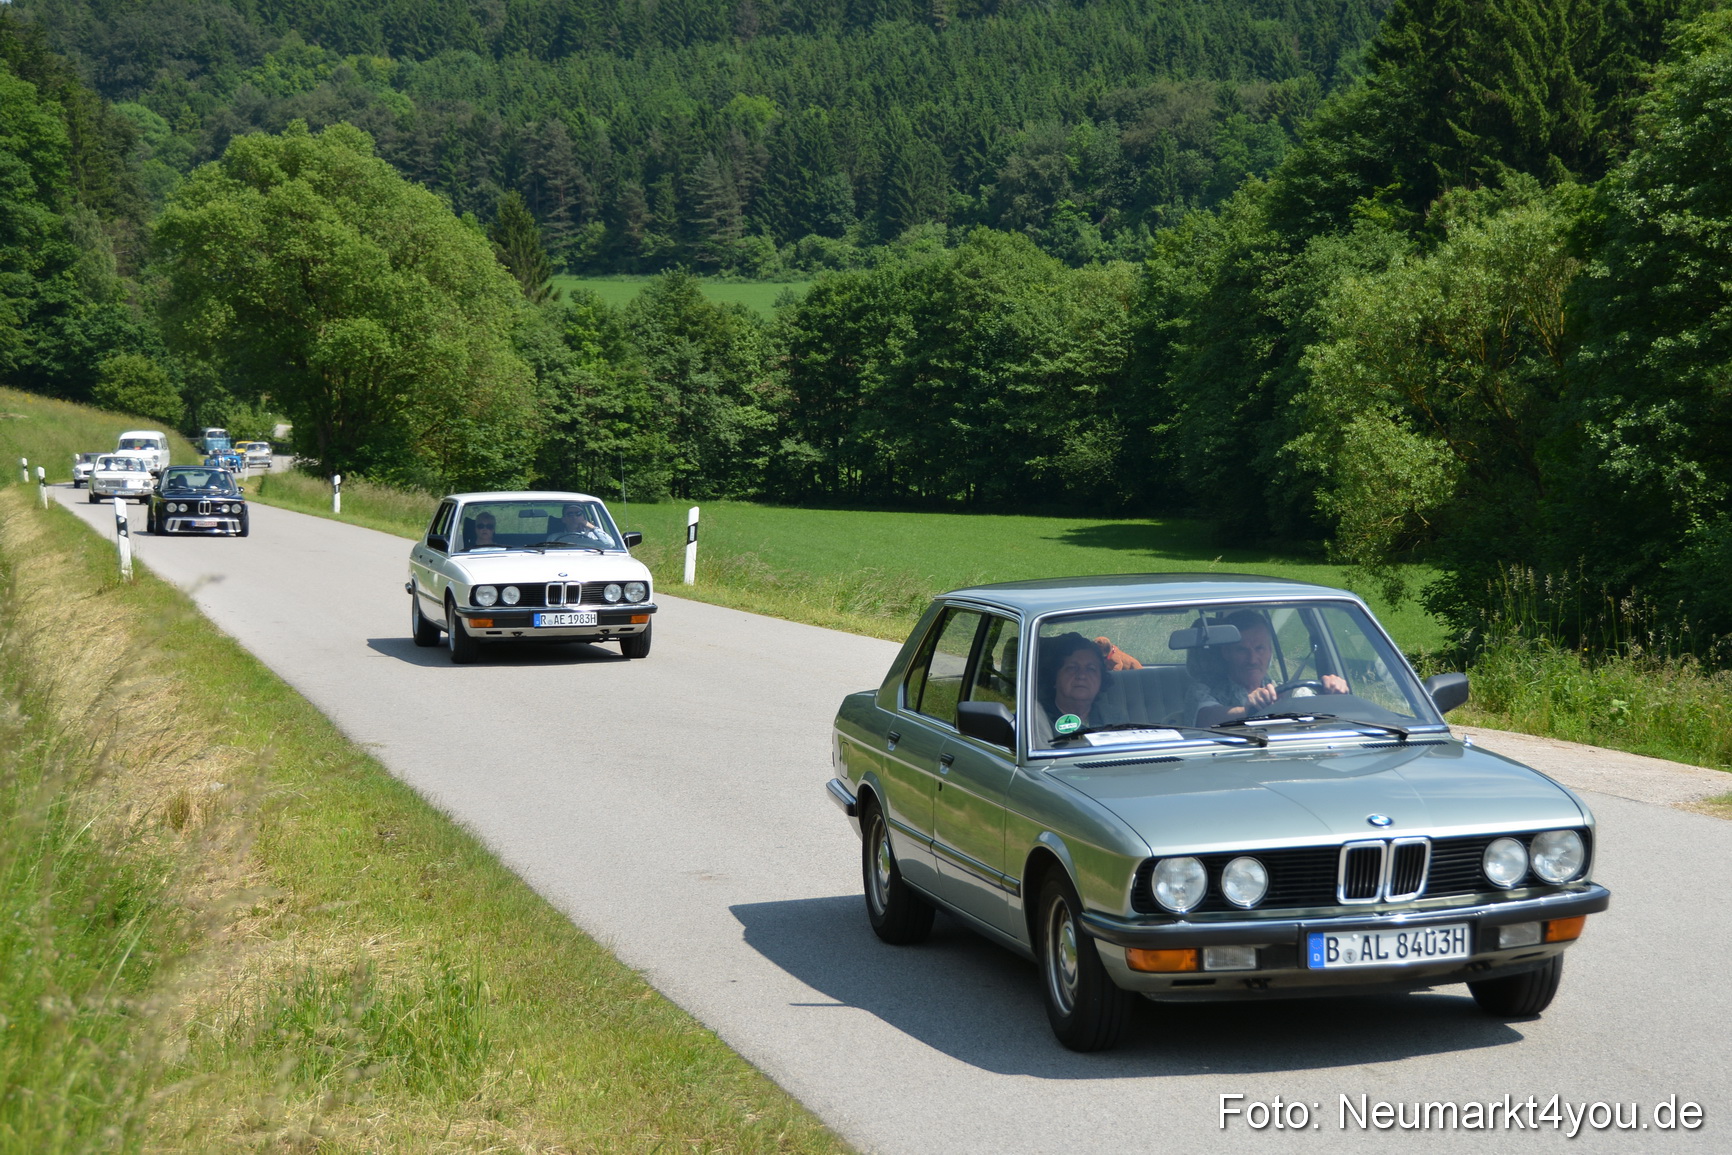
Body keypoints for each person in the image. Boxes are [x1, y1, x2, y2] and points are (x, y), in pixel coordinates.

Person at [1195, 609, 1348, 725]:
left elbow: (1324, 719)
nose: (1253, 659)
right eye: (1242, 650)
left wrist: (1334, 695)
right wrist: (1248, 711)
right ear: (1226, 653)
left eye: (1260, 648)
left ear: (1270, 651)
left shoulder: (1288, 691)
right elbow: (1206, 718)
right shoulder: (1204, 690)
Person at [1037, 632, 1114, 732]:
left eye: (1091, 669)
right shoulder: (1034, 722)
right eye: (1072, 668)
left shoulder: (1115, 718)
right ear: (1054, 677)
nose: (1081, 675)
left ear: (1101, 679)